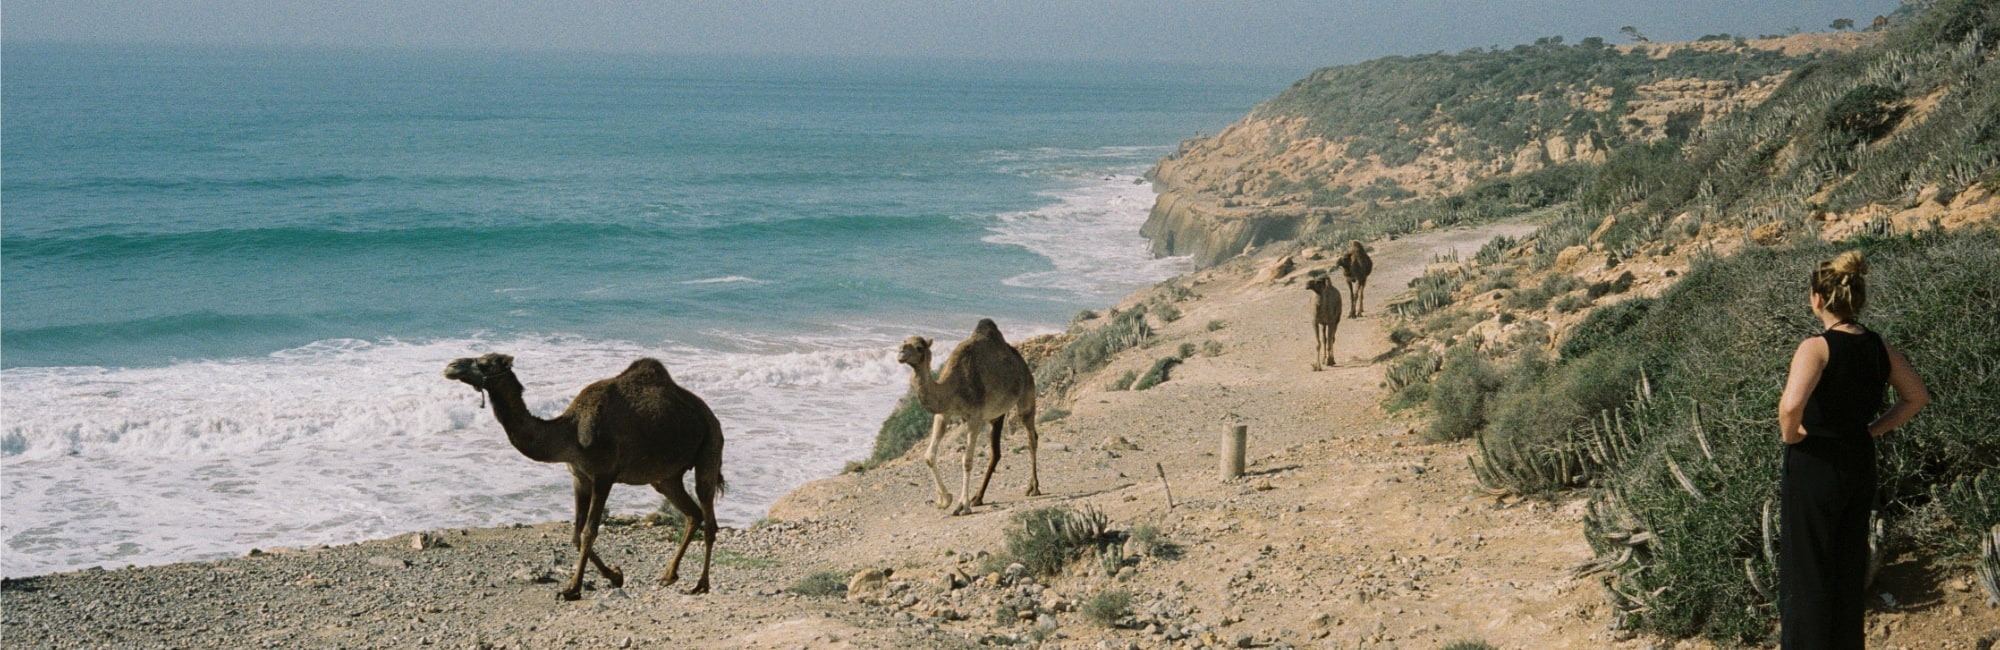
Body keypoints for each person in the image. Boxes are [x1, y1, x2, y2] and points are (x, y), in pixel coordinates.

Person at [1776, 250, 1928, 649]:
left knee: (1807, 573)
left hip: (1815, 464)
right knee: (1847, 570)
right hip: (1859, 461)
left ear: (1817, 299)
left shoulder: (1816, 347)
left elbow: (1791, 405)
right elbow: (1915, 397)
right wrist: (1873, 431)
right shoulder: (1879, 346)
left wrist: (1791, 436)